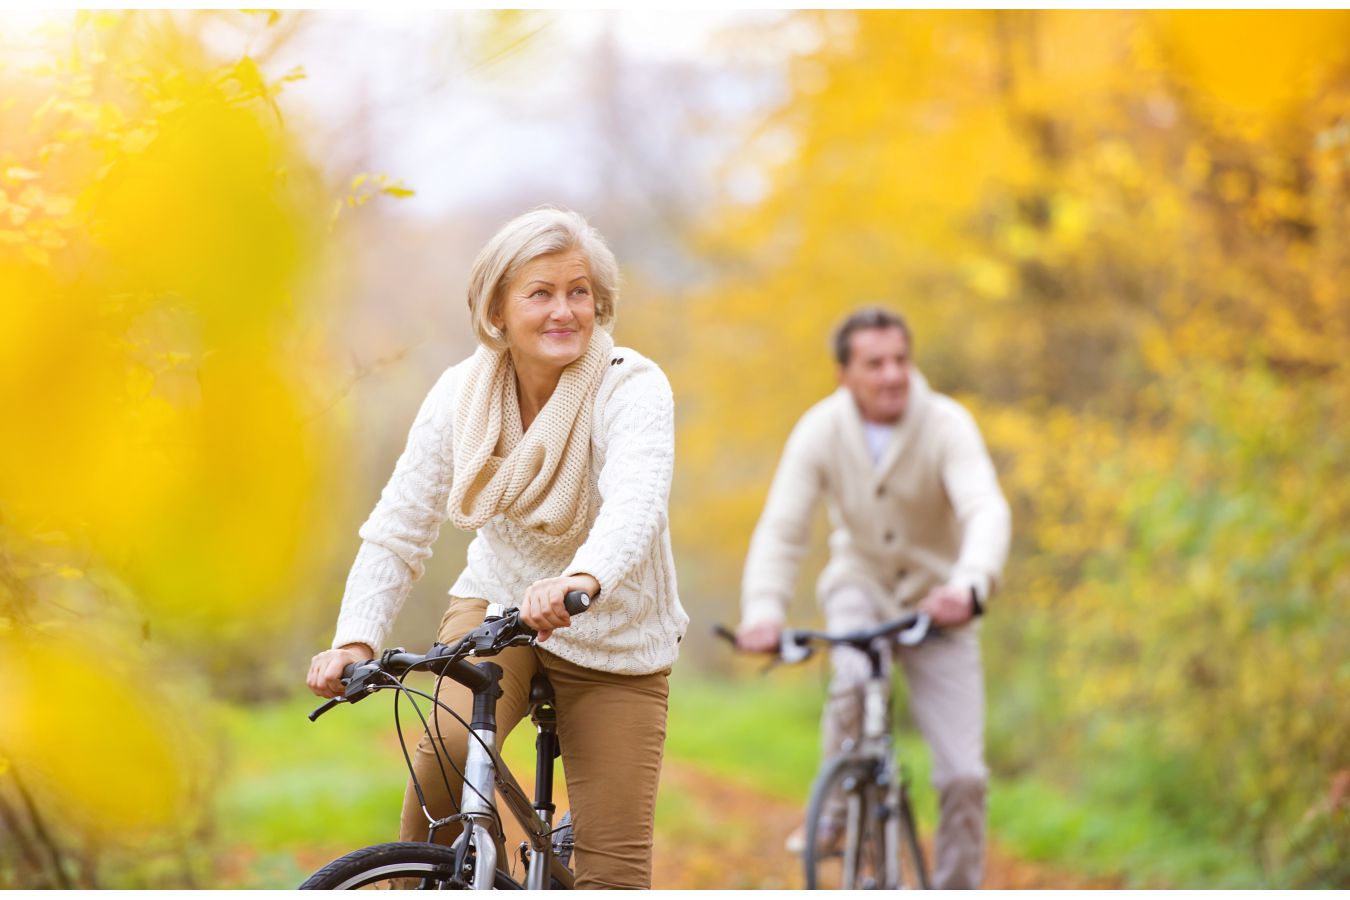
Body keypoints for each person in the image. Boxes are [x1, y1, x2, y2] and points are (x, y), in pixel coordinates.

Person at [307, 207, 688, 889]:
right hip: (498, 607)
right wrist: (355, 641)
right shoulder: (462, 394)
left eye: (578, 292)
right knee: (447, 754)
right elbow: (399, 526)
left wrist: (582, 579)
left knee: (614, 873)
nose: (564, 310)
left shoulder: (631, 384)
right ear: (497, 312)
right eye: (540, 293)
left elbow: (635, 502)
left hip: (616, 631)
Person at [735, 306, 1010, 890]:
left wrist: (970, 583)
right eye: (875, 363)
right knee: (853, 682)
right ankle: (835, 813)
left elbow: (985, 508)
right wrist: (763, 611)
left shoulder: (946, 424)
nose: (892, 375)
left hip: (940, 604)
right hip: (859, 589)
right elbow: (784, 529)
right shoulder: (819, 429)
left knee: (963, 776)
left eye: (900, 360)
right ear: (844, 375)